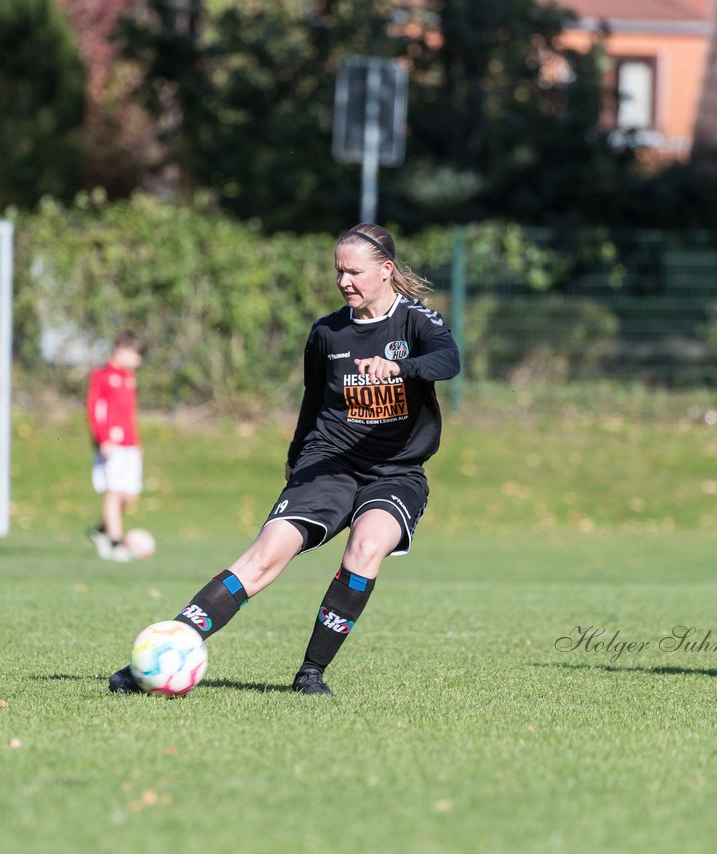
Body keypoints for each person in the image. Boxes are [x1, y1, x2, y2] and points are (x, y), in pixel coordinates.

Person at [107, 223, 460, 696]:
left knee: (366, 549)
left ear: (385, 271)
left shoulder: (417, 321)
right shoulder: (327, 333)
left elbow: (449, 360)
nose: (344, 281)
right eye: (339, 271)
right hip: (328, 462)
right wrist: (296, 457)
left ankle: (310, 673)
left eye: (354, 272)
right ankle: (165, 651)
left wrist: (402, 367)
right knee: (264, 556)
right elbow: (312, 401)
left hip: (395, 473)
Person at [85, 332, 146, 561]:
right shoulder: (102, 376)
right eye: (135, 354)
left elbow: (129, 414)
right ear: (120, 349)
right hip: (111, 444)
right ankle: (115, 542)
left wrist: (137, 442)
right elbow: (95, 409)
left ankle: (101, 531)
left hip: (130, 445)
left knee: (129, 496)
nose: (138, 360)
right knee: (114, 492)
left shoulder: (129, 379)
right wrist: (102, 439)